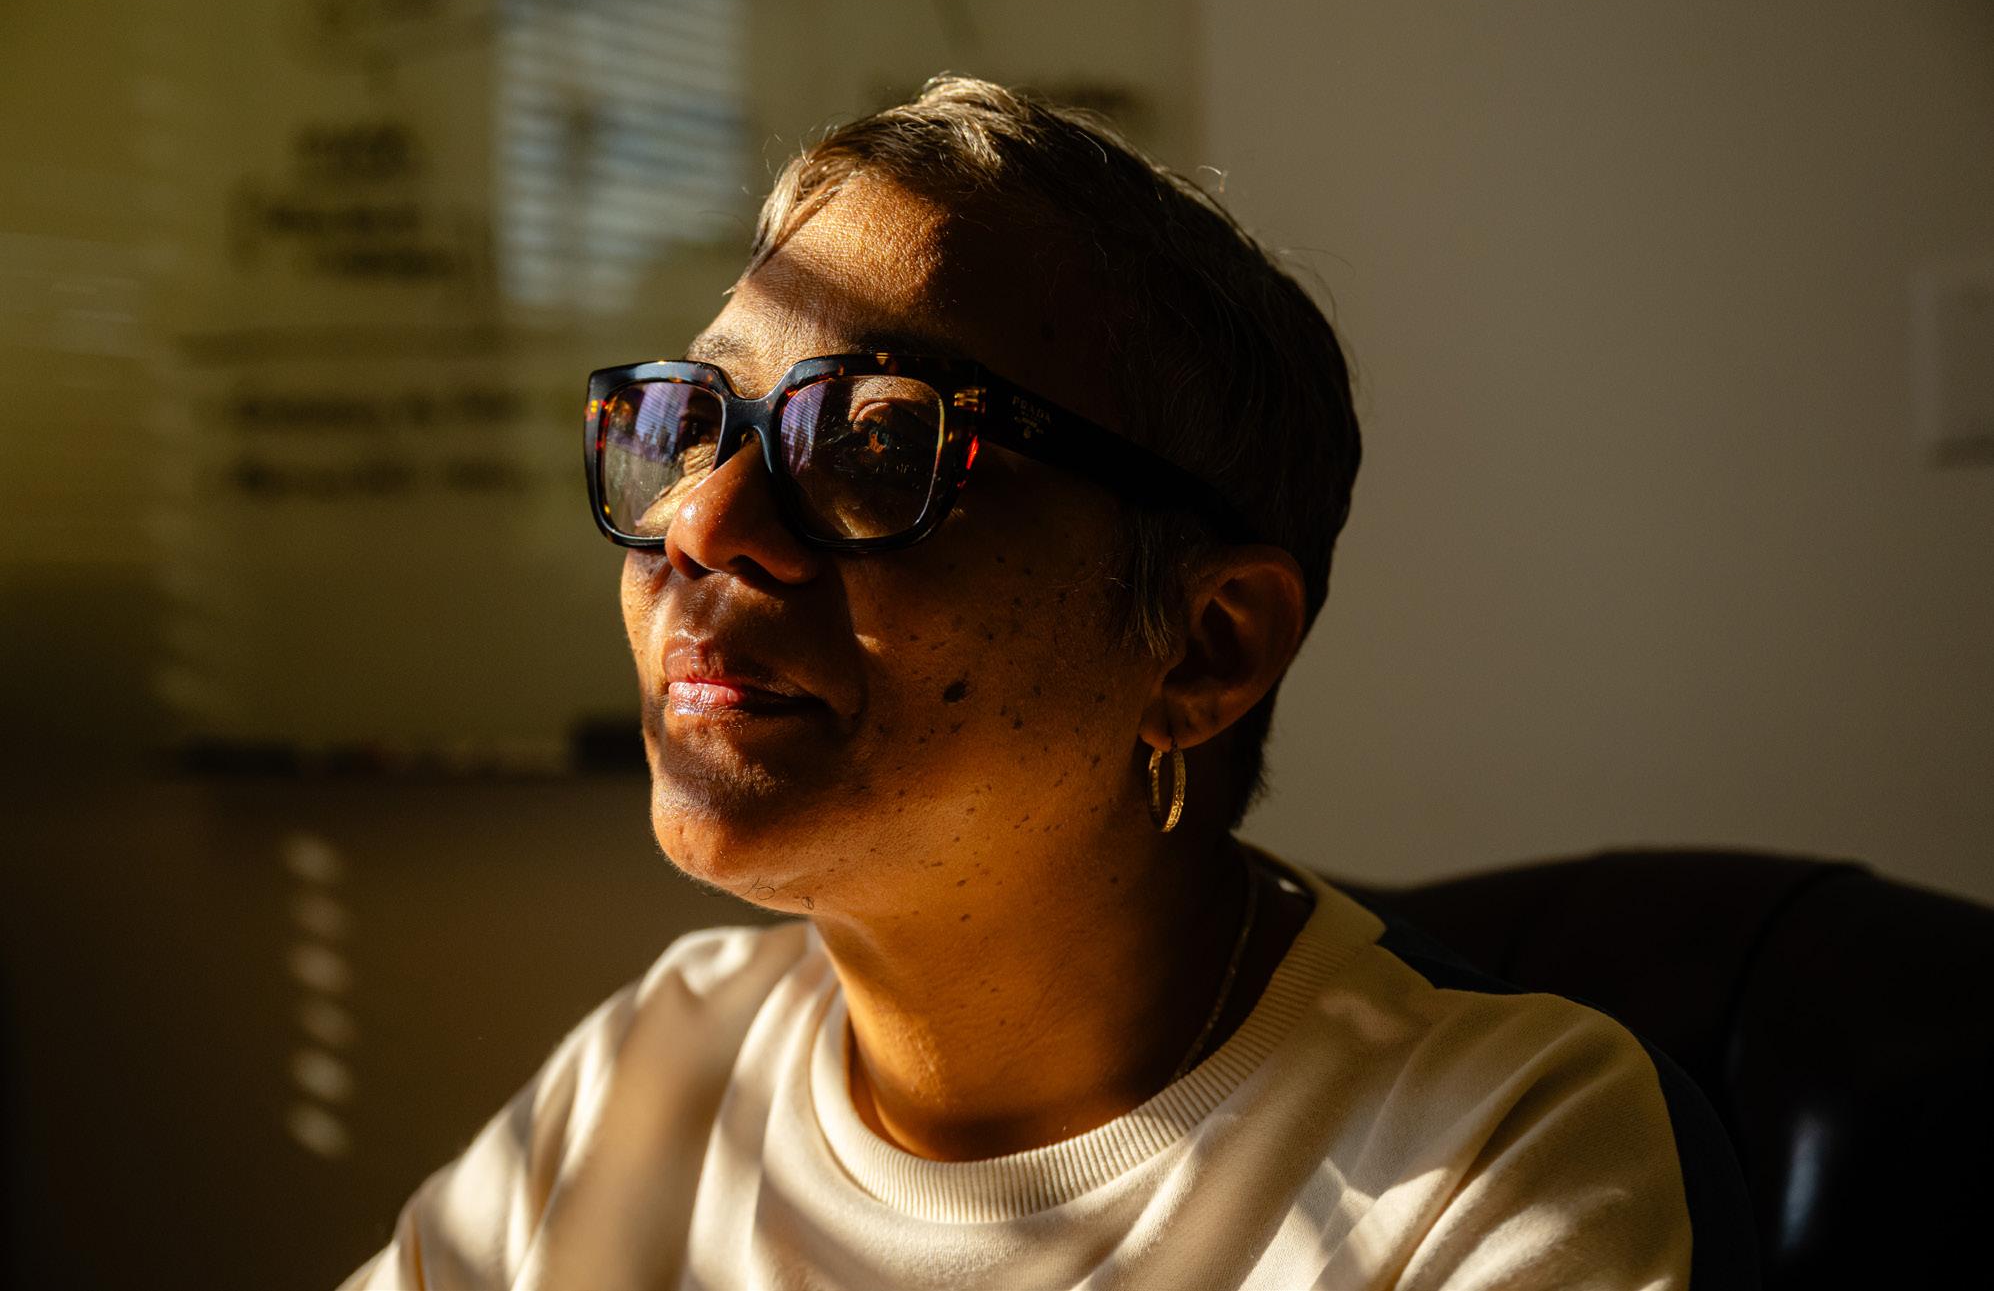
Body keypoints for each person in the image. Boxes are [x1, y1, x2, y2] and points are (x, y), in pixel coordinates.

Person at [343, 76, 1755, 1290]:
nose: (701, 522)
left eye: (878, 442)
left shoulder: (1488, 1154)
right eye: (694, 423)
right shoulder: (657, 1067)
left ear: (1205, 647)